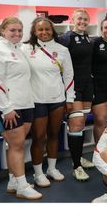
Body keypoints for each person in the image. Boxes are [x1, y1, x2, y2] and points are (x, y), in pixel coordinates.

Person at [0, 15, 40, 200]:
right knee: (16, 145)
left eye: (19, 30)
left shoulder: (19, 48)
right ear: (3, 31)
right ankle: (22, 186)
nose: (16, 33)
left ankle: (13, 181)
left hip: (24, 103)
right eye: (12, 30)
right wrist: (6, 108)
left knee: (17, 145)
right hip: (5, 107)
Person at [23, 16, 74, 187]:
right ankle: (38, 173)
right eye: (40, 30)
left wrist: (70, 98)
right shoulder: (25, 49)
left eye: (47, 29)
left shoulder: (62, 49)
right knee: (39, 137)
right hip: (36, 100)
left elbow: (69, 76)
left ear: (52, 30)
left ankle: (52, 168)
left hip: (57, 99)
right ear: (34, 32)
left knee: (54, 134)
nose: (44, 32)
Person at [59, 9, 94, 181]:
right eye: (79, 18)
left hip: (88, 85)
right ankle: (76, 166)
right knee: (76, 122)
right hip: (73, 86)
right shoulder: (66, 38)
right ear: (73, 19)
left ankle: (78, 157)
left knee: (81, 124)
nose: (82, 21)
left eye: (85, 19)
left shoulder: (88, 37)